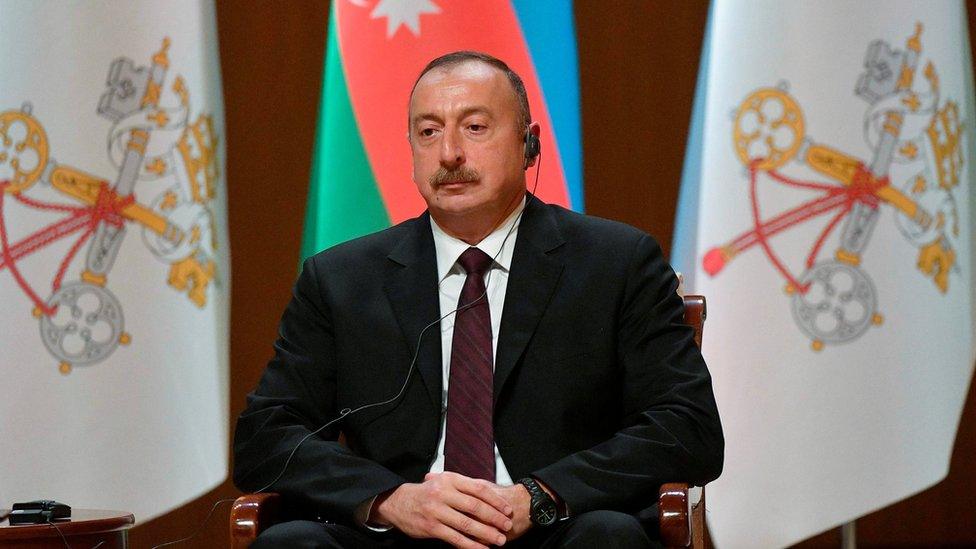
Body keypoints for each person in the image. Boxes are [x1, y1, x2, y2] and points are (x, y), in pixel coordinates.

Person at [234, 51, 723, 549]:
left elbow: (687, 428)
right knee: (291, 544)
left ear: (528, 143)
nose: (448, 153)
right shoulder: (340, 279)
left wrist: (541, 495)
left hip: (556, 528)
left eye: (474, 127)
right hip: (398, 533)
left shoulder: (615, 263)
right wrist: (390, 500)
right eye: (428, 132)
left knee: (608, 538)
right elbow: (265, 438)